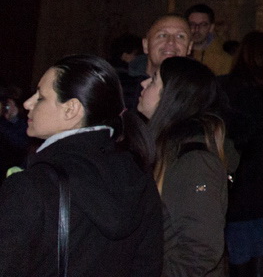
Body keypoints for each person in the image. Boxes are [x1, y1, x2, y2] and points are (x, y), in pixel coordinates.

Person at [0, 55, 162, 276]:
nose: (28, 103)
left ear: (71, 110)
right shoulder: (138, 175)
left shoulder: (32, 185)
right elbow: (148, 265)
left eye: (41, 97)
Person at [139, 55, 233, 277]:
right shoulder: (164, 150)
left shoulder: (195, 163)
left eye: (153, 80)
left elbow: (200, 251)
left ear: (172, 96)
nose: (144, 83)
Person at [221, 30, 263, 277]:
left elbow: (236, 128)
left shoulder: (234, 86)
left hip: (244, 167)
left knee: (239, 235)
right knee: (256, 236)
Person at [186, 4, 234, 76]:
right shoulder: (178, 52)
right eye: (192, 24)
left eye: (203, 24)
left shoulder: (224, 59)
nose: (197, 29)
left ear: (211, 27)